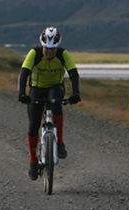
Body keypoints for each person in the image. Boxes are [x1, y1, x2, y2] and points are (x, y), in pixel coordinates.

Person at [18, 26, 81, 180]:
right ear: (43, 45)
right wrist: (21, 93)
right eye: (47, 49)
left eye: (53, 49)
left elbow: (73, 73)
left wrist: (76, 93)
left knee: (55, 103)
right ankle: (33, 161)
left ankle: (59, 143)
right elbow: (24, 73)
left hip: (55, 87)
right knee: (33, 126)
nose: (50, 52)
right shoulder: (34, 53)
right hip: (36, 89)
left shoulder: (63, 54)